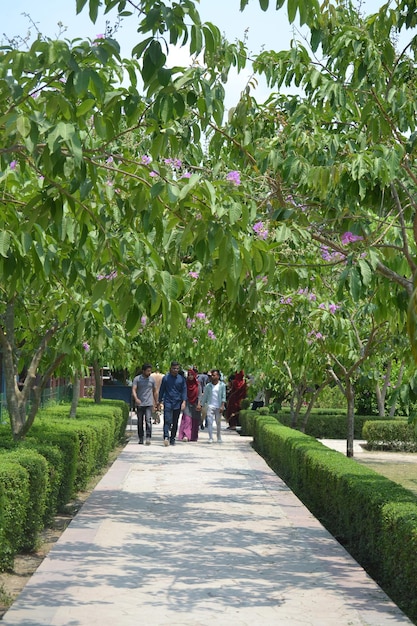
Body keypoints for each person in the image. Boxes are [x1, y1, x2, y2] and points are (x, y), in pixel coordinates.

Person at [158, 361, 187, 446]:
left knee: (175, 421)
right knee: (167, 420)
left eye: (177, 369)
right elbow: (162, 390)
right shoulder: (166, 378)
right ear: (171, 368)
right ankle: (166, 437)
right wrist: (159, 401)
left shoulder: (181, 379)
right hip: (168, 402)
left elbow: (184, 391)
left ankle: (172, 438)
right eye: (174, 368)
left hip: (177, 403)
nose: (176, 370)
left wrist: (184, 402)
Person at [132, 363, 158, 445]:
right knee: (140, 421)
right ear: (143, 371)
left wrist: (156, 402)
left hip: (149, 404)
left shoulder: (152, 380)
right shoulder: (137, 379)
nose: (149, 372)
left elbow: (155, 391)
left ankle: (148, 437)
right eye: (148, 371)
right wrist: (136, 399)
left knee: (148, 420)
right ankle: (140, 437)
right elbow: (133, 389)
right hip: (140, 404)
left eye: (150, 371)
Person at [201, 369, 226, 443]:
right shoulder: (208, 386)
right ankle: (210, 437)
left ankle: (218, 437)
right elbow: (205, 396)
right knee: (210, 422)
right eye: (211, 375)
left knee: (218, 423)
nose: (212, 377)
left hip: (218, 406)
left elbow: (223, 396)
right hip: (210, 406)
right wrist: (201, 405)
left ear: (218, 376)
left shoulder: (222, 385)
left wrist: (222, 406)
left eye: (214, 375)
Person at [178, 369, 202, 442]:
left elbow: (200, 395)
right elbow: (183, 393)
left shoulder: (198, 384)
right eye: (189, 375)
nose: (190, 376)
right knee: (187, 419)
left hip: (195, 404)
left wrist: (199, 404)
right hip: (187, 402)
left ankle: (193, 436)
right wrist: (183, 402)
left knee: (194, 420)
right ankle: (186, 435)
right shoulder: (185, 384)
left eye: (191, 375)